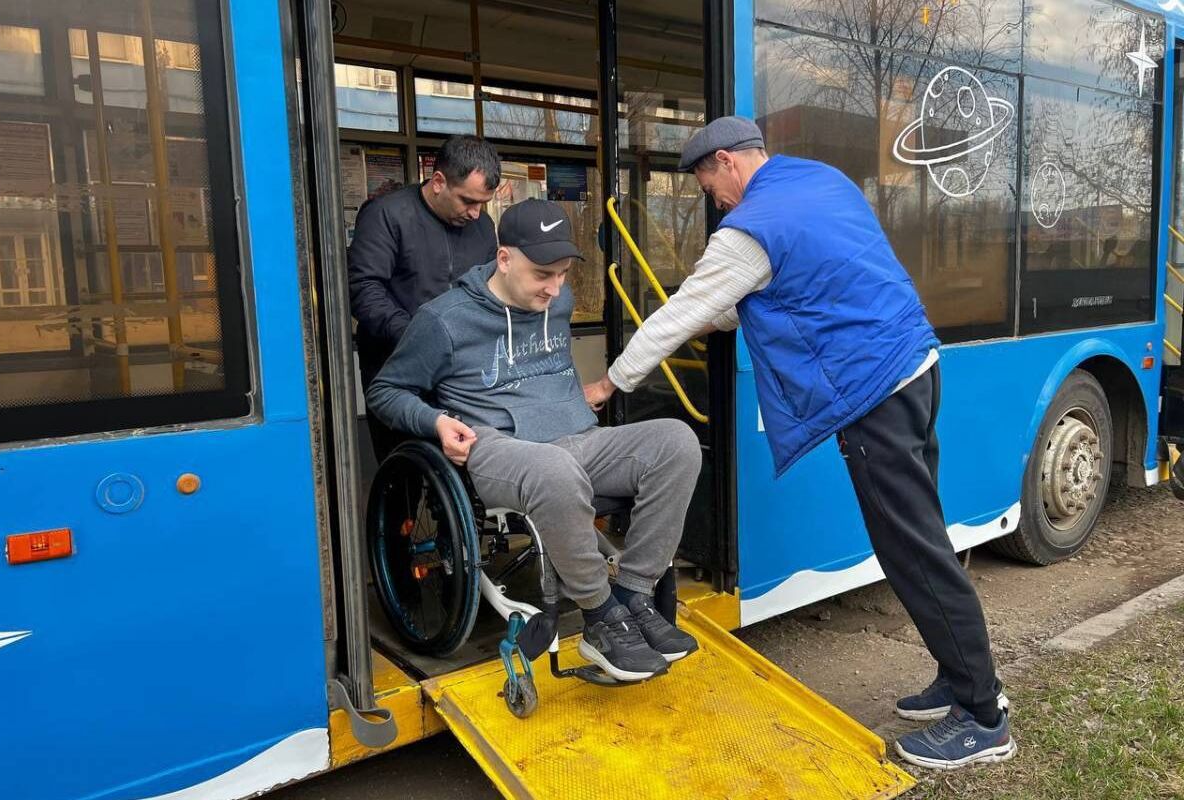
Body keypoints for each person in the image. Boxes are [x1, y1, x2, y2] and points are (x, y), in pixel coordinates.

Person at [583, 116, 1015, 769]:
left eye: (709, 184)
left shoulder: (750, 228)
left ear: (728, 162)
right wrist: (723, 312)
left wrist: (613, 381)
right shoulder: (819, 181)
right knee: (923, 537)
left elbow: (683, 313)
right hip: (916, 366)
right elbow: (792, 283)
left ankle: (983, 717)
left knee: (912, 551)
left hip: (874, 395)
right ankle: (960, 681)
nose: (714, 200)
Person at [367, 199, 702, 682]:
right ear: (504, 258)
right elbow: (385, 390)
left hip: (577, 438)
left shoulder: (556, 301)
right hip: (496, 448)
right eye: (543, 273)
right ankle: (600, 618)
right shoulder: (443, 320)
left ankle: (632, 594)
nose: (555, 287)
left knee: (676, 441)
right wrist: (436, 420)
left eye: (563, 273)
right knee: (554, 469)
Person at [348, 135, 501, 460]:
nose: (475, 214)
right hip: (395, 365)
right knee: (403, 465)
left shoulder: (483, 227)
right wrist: (420, 337)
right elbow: (365, 290)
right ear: (438, 181)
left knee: (464, 462)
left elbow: (490, 290)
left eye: (482, 204)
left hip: (460, 369)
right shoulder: (386, 215)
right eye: (467, 201)